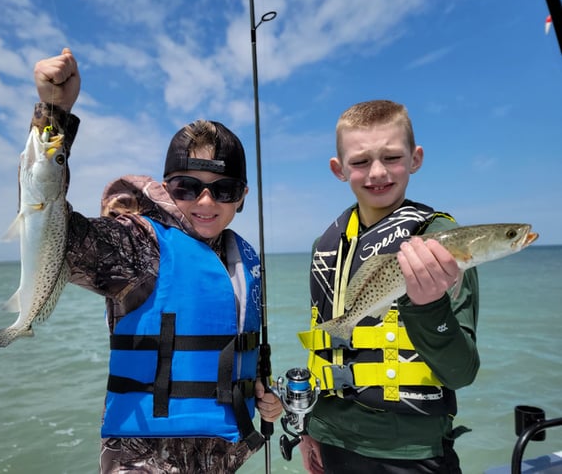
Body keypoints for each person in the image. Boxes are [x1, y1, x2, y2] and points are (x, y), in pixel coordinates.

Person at [30, 48, 282, 473]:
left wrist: (263, 394)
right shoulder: (136, 243)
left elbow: (243, 352)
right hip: (143, 461)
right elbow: (52, 235)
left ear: (241, 198)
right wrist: (54, 115)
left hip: (223, 457)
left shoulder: (242, 259)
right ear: (168, 186)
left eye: (223, 190)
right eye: (189, 186)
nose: (206, 201)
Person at [297, 100, 479, 473]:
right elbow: (326, 346)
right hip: (332, 441)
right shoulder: (326, 246)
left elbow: (462, 372)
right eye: (361, 161)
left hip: (413, 452)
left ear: (415, 159)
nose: (377, 172)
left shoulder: (441, 241)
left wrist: (429, 307)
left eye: (392, 157)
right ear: (339, 168)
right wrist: (308, 428)